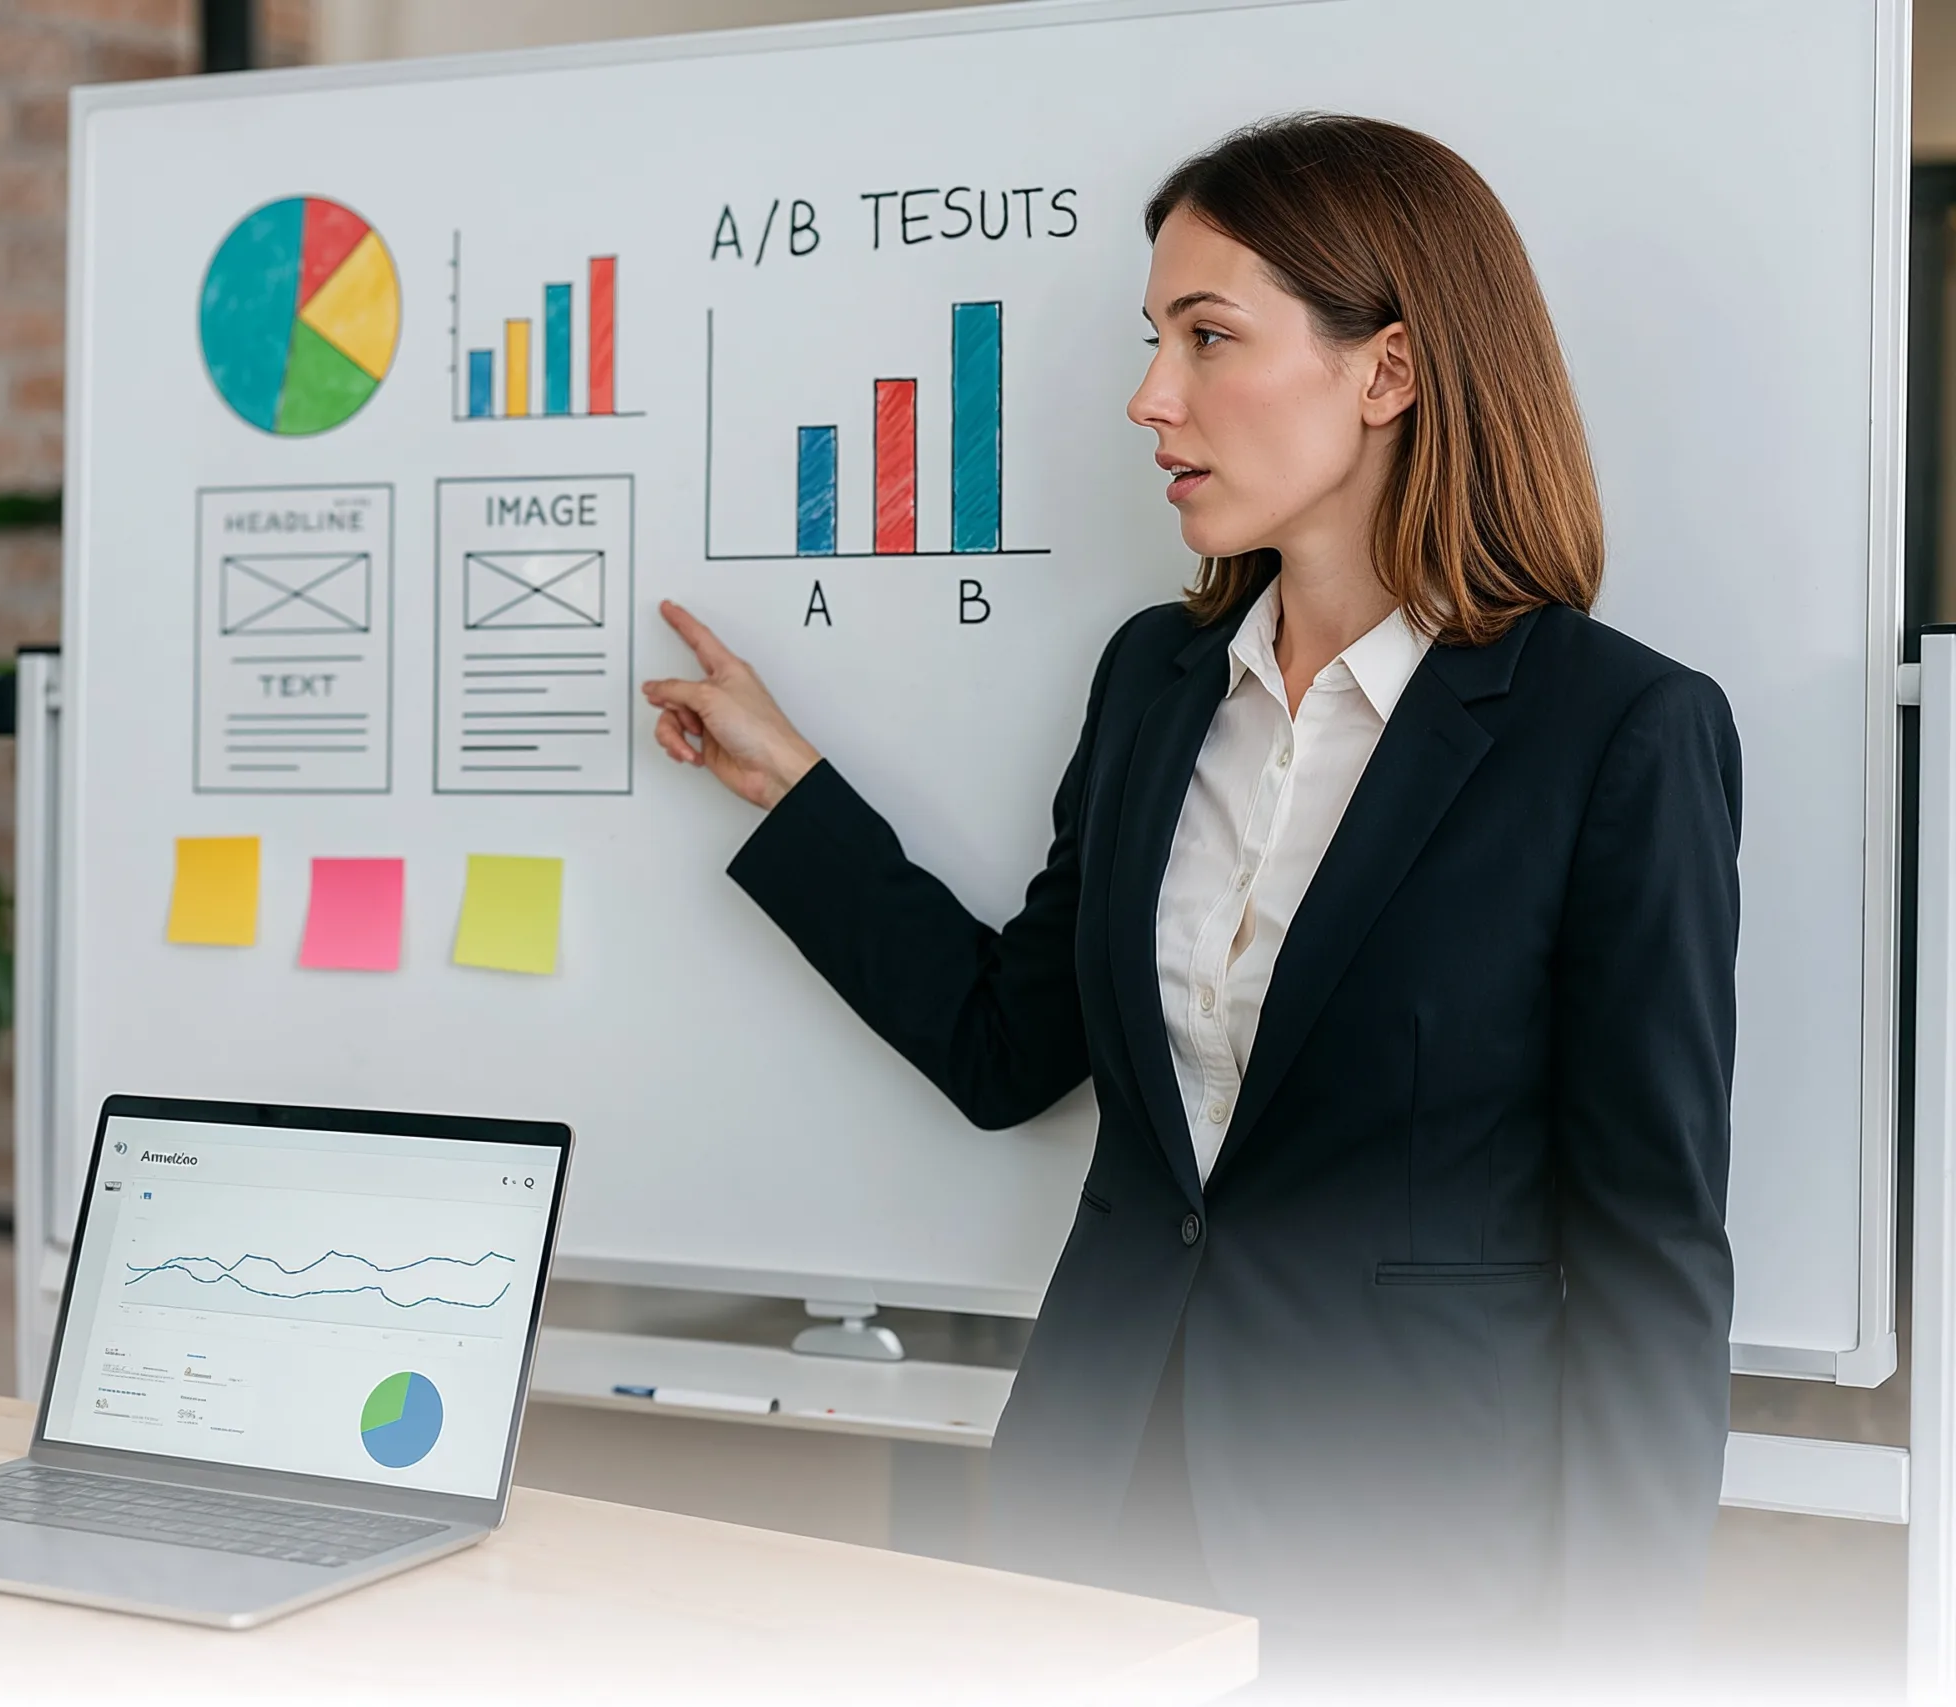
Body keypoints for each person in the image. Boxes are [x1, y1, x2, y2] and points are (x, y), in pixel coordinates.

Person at [642, 114, 1740, 1687]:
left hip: (1412, 1568)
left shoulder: (1616, 731)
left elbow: (1650, 1252)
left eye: (1208, 337)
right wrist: (792, 793)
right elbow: (1005, 1048)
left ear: (1390, 371)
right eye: (1155, 340)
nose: (1150, 397)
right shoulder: (1155, 683)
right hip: (1090, 1518)